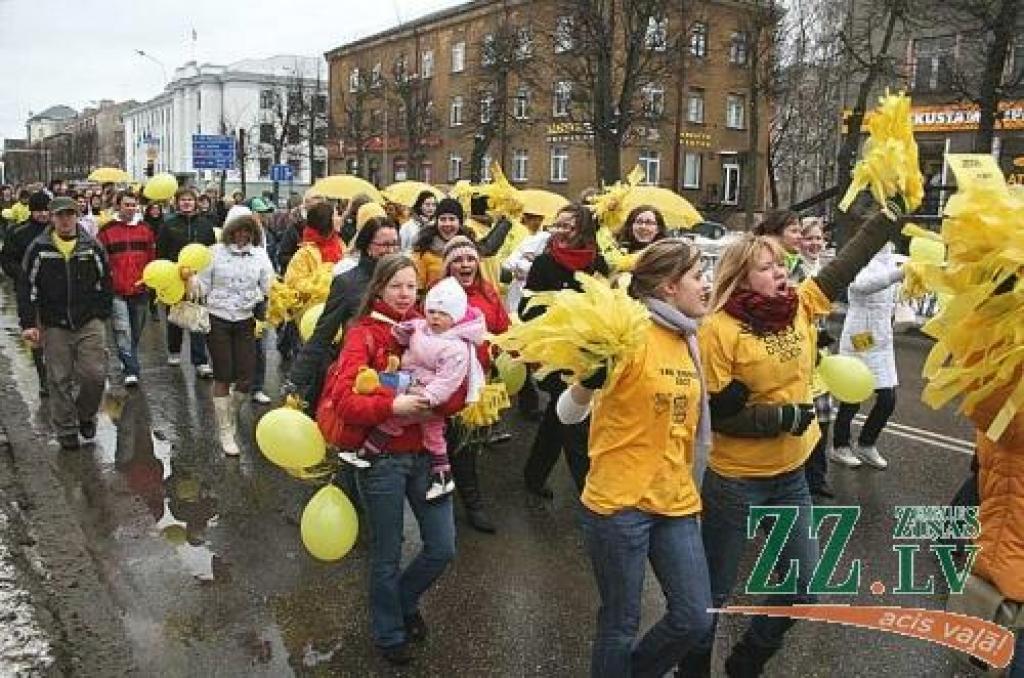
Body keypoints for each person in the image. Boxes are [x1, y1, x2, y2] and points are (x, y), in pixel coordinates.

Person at [678, 208, 898, 676]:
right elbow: (713, 414)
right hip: (736, 482)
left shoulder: (799, 304)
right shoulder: (717, 329)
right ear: (740, 277)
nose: (781, 271)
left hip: (790, 476)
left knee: (802, 584)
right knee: (713, 598)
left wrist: (884, 219)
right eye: (767, 266)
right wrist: (778, 416)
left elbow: (844, 267)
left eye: (782, 263)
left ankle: (746, 662)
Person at [556, 238, 714, 678]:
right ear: (668, 287)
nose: (707, 285)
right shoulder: (627, 332)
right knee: (620, 623)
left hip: (676, 496)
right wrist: (588, 382)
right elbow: (567, 415)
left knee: (694, 617)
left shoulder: (688, 336)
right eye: (698, 277)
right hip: (619, 503)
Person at [326, 253, 464, 665]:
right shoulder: (362, 334)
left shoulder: (432, 328)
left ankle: (401, 602)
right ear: (379, 289)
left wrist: (441, 400)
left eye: (412, 287)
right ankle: (388, 632)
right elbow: (346, 401)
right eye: (397, 286)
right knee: (387, 553)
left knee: (442, 547)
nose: (406, 295)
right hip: (383, 460)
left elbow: (458, 390)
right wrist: (396, 406)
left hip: (427, 456)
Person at [356, 276, 485, 503]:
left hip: (428, 395)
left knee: (410, 426)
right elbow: (410, 331)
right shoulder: (423, 327)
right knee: (428, 433)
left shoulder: (456, 348)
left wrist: (429, 397)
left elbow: (449, 380)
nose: (435, 317)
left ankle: (367, 452)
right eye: (432, 311)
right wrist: (402, 332)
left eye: (443, 314)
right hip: (413, 383)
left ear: (454, 317)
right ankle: (442, 476)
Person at [521, 203, 610, 497]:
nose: (560, 232)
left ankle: (533, 475)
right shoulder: (544, 263)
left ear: (582, 230)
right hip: (556, 354)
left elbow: (609, 307)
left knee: (559, 416)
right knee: (573, 420)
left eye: (567, 226)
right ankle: (587, 487)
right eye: (556, 225)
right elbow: (526, 308)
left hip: (588, 353)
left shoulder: (598, 264)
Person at [17, 197, 112, 450]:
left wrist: (102, 311)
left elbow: (106, 279)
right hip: (55, 322)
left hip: (88, 319)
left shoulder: (91, 246)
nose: (66, 220)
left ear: (77, 216)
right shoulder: (39, 248)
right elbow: (26, 286)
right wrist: (29, 322)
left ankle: (85, 415)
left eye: (70, 214)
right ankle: (66, 429)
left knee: (95, 374)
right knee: (59, 378)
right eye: (60, 215)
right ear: (52, 218)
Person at [284, 217, 401, 410]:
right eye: (384, 245)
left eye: (395, 244)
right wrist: (295, 380)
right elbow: (323, 335)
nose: (391, 251)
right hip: (356, 374)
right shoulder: (347, 283)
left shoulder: (406, 279)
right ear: (367, 246)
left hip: (396, 373)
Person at [434, 235, 509, 532]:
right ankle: (459, 503)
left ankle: (467, 501)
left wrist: (502, 350)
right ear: (448, 266)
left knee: (467, 445)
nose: (465, 264)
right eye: (458, 260)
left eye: (470, 259)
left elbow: (503, 329)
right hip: (446, 385)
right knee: (448, 446)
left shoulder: (489, 293)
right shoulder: (439, 295)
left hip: (479, 385)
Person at [190, 214, 274, 455]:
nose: (242, 235)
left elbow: (269, 284)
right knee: (224, 374)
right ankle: (225, 430)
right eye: (238, 230)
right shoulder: (214, 252)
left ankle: (230, 414)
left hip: (246, 319)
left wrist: (283, 295)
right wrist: (189, 280)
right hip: (217, 319)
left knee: (247, 377)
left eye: (247, 231)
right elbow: (203, 285)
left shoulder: (259, 254)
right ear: (230, 231)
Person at [831, 243, 905, 470]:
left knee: (887, 399)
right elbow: (862, 285)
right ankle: (840, 446)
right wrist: (899, 274)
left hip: (882, 339)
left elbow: (893, 289)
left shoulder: (891, 259)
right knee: (853, 396)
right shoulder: (858, 257)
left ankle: (866, 443)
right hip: (861, 337)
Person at [156, 187, 217, 376]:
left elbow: (212, 251)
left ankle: (200, 361)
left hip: (198, 277)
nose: (187, 203)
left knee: (197, 315)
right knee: (175, 315)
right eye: (183, 200)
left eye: (190, 200)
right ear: (177, 202)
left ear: (196, 202)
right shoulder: (169, 224)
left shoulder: (206, 225)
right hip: (174, 276)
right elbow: (161, 252)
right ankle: (174, 350)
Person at [97, 192, 156, 386]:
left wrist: (151, 280)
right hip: (117, 290)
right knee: (123, 330)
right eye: (127, 205)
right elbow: (100, 259)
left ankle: (127, 357)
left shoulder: (145, 229)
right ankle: (132, 369)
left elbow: (151, 256)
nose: (130, 208)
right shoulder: (106, 231)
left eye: (133, 205)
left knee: (136, 330)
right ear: (118, 206)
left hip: (140, 289)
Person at [0, 191, 52, 397]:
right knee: (36, 334)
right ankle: (44, 378)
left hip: (55, 292)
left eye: (45, 210)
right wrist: (22, 275)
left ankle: (59, 373)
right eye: (38, 210)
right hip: (29, 292)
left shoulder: (56, 230)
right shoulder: (19, 232)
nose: (42, 214)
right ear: (32, 211)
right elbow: (6, 260)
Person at [798, 217, 836, 497]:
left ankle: (818, 477)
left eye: (818, 239)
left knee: (823, 417)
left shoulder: (828, 270)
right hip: (799, 351)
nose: (814, 243)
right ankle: (798, 478)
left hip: (822, 354)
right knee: (802, 417)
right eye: (808, 238)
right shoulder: (791, 270)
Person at [754, 209, 806, 282]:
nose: (800, 236)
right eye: (794, 231)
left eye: (800, 232)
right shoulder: (757, 261)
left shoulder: (798, 266)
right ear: (774, 234)